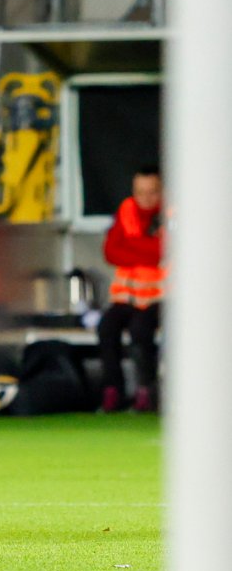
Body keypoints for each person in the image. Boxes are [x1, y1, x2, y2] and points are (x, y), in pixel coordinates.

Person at [98, 166, 163, 413]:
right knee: (107, 327)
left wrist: (132, 247)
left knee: (140, 330)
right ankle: (113, 390)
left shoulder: (172, 214)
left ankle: (146, 390)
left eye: (152, 192)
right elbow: (110, 252)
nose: (146, 198)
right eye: (140, 192)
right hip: (127, 298)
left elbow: (163, 251)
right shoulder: (126, 210)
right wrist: (145, 248)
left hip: (160, 299)